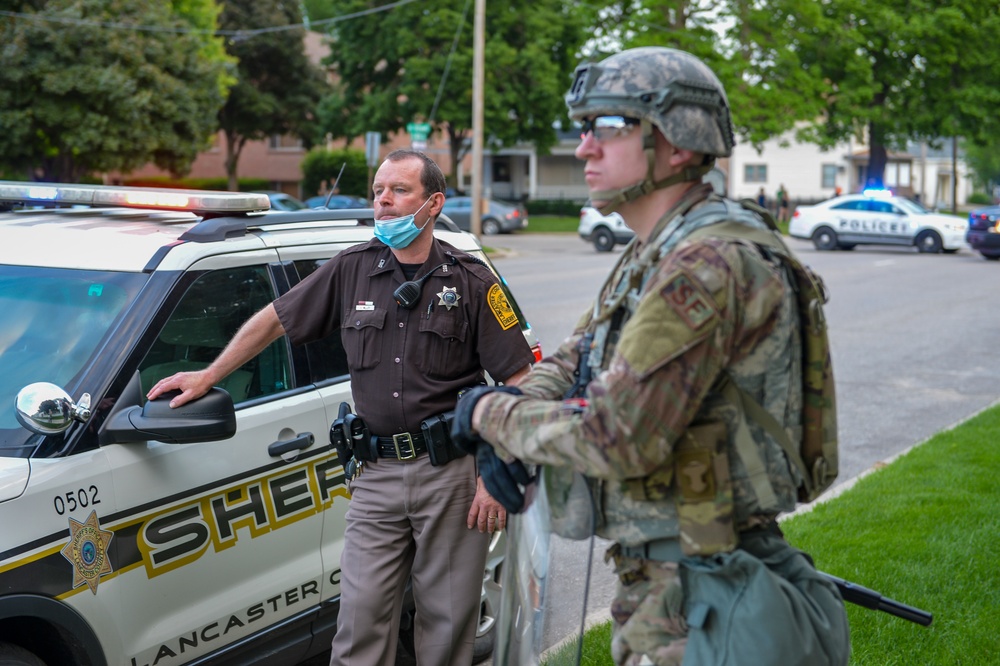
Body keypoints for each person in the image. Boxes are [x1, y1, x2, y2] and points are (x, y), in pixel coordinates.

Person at [451, 47, 850, 665]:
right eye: (585, 130)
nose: (585, 148)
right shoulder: (656, 252)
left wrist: (485, 417)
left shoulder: (705, 264)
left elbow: (618, 437)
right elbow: (571, 359)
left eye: (608, 129)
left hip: (699, 597)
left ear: (679, 144)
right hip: (673, 582)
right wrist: (516, 418)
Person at [147, 149, 534, 666]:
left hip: (452, 476)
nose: (383, 202)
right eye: (378, 191)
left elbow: (519, 380)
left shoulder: (471, 281)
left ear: (434, 202)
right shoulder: (352, 270)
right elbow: (275, 318)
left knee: (445, 630)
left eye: (399, 190)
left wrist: (496, 473)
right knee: (358, 625)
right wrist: (210, 373)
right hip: (374, 474)